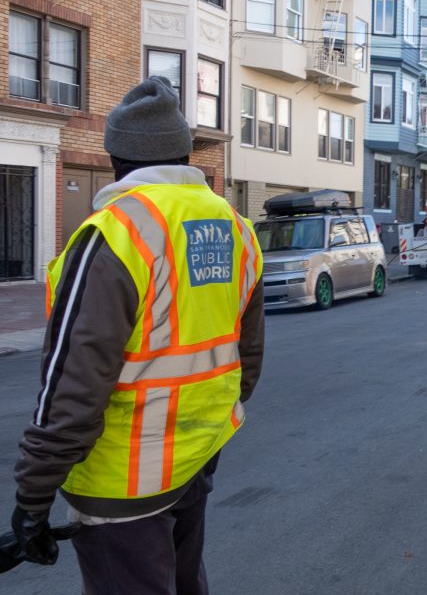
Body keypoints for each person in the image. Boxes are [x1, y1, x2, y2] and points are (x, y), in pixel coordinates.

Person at [9, 76, 265, 594]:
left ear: (116, 157)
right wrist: (206, 442)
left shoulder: (115, 233)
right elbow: (247, 358)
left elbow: (73, 382)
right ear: (183, 153)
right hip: (193, 463)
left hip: (121, 483)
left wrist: (33, 500)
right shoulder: (235, 226)